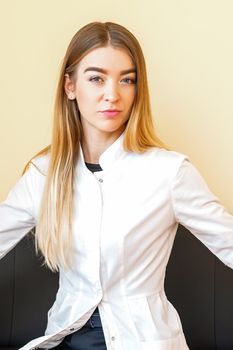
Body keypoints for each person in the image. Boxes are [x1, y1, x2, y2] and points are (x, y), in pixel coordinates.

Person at [0, 21, 233, 350]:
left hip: (141, 339)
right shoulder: (43, 174)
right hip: (65, 337)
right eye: (96, 78)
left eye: (127, 80)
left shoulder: (169, 171)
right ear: (70, 86)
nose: (113, 94)